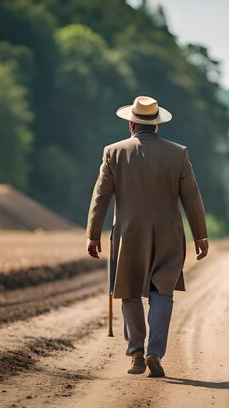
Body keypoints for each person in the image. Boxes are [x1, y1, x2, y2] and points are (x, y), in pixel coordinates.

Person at [86, 96, 209, 378]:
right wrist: (200, 235)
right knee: (162, 292)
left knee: (129, 292)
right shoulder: (178, 154)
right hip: (169, 235)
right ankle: (155, 351)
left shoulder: (113, 152)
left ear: (131, 123)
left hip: (128, 235)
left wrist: (93, 235)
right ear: (157, 125)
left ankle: (136, 352)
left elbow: (100, 197)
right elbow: (192, 197)